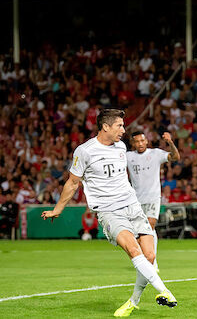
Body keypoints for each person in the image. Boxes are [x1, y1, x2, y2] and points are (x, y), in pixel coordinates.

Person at [41, 109, 177, 317]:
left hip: (133, 206)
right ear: (105, 126)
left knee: (149, 256)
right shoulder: (85, 151)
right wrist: (57, 209)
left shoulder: (121, 147)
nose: (123, 130)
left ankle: (133, 301)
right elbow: (72, 182)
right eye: (119, 126)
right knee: (134, 250)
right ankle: (164, 291)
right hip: (109, 211)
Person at [127, 130, 180, 271]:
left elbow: (175, 157)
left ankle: (152, 261)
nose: (140, 143)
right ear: (133, 143)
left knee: (150, 226)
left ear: (146, 141)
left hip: (153, 196)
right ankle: (144, 258)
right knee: (139, 231)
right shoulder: (128, 157)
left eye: (142, 141)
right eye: (137, 141)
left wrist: (170, 142)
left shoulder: (155, 154)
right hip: (136, 200)